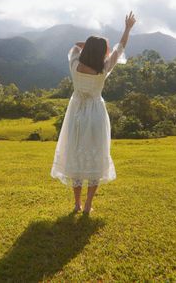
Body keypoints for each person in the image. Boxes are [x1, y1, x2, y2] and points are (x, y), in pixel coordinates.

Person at [50, 11, 136, 214]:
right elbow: (120, 47)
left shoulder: (75, 64)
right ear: (102, 53)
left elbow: (75, 45)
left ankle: (77, 203)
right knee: (97, 156)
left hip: (77, 113)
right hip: (96, 114)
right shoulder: (104, 69)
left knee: (76, 155)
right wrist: (127, 28)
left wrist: (88, 44)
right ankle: (88, 205)